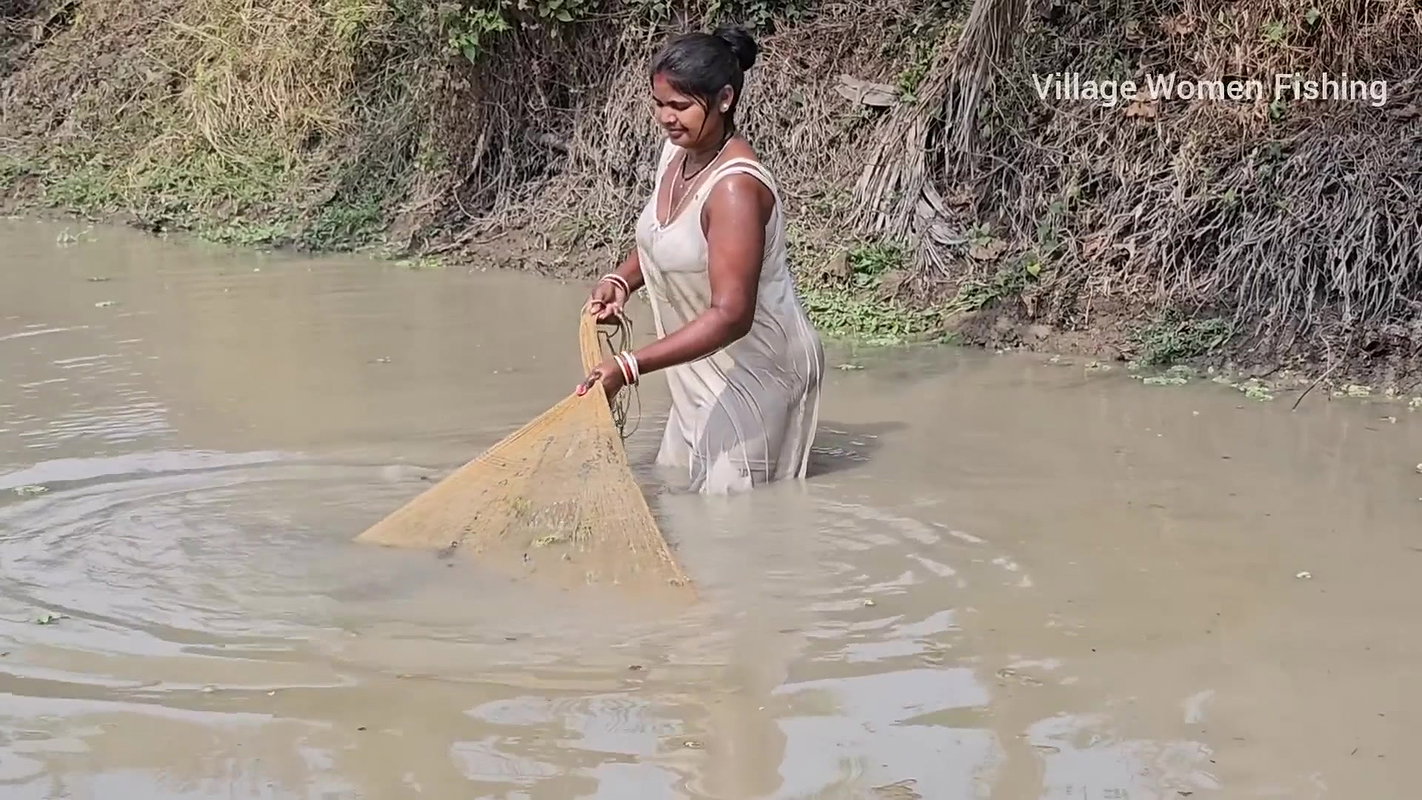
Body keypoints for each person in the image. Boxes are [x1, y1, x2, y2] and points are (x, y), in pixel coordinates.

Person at [575, 24, 825, 495]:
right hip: (698, 364)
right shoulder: (677, 153)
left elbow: (732, 316)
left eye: (681, 106)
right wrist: (622, 280)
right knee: (675, 488)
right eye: (659, 104)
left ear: (725, 98)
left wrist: (628, 368)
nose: (667, 118)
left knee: (733, 514)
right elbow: (664, 238)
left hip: (757, 368)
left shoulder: (734, 189)